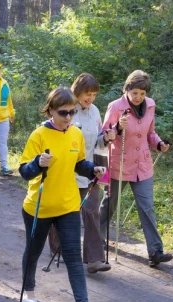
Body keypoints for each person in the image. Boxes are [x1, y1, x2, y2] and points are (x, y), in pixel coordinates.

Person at [18, 87, 107, 302]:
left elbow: (78, 162)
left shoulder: (75, 134)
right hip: (39, 206)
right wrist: (37, 163)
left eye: (72, 112)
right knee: (34, 251)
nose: (68, 117)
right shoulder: (39, 135)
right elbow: (24, 171)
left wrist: (91, 169)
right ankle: (29, 289)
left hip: (68, 204)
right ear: (51, 110)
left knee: (74, 257)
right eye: (63, 112)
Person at [98, 70, 173, 267]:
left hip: (143, 165)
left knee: (147, 208)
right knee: (109, 205)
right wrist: (118, 128)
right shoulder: (115, 106)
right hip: (118, 165)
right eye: (135, 93)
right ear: (127, 89)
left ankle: (155, 251)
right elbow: (104, 135)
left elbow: (150, 133)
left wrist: (159, 144)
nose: (139, 97)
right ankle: (96, 242)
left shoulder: (150, 105)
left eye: (142, 93)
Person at [47, 73, 116, 273]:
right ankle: (55, 246)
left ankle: (94, 259)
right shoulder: (67, 109)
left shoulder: (94, 111)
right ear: (77, 91)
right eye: (87, 93)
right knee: (63, 210)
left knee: (92, 211)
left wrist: (107, 137)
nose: (90, 98)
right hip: (66, 170)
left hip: (89, 170)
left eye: (94, 94)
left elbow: (97, 141)